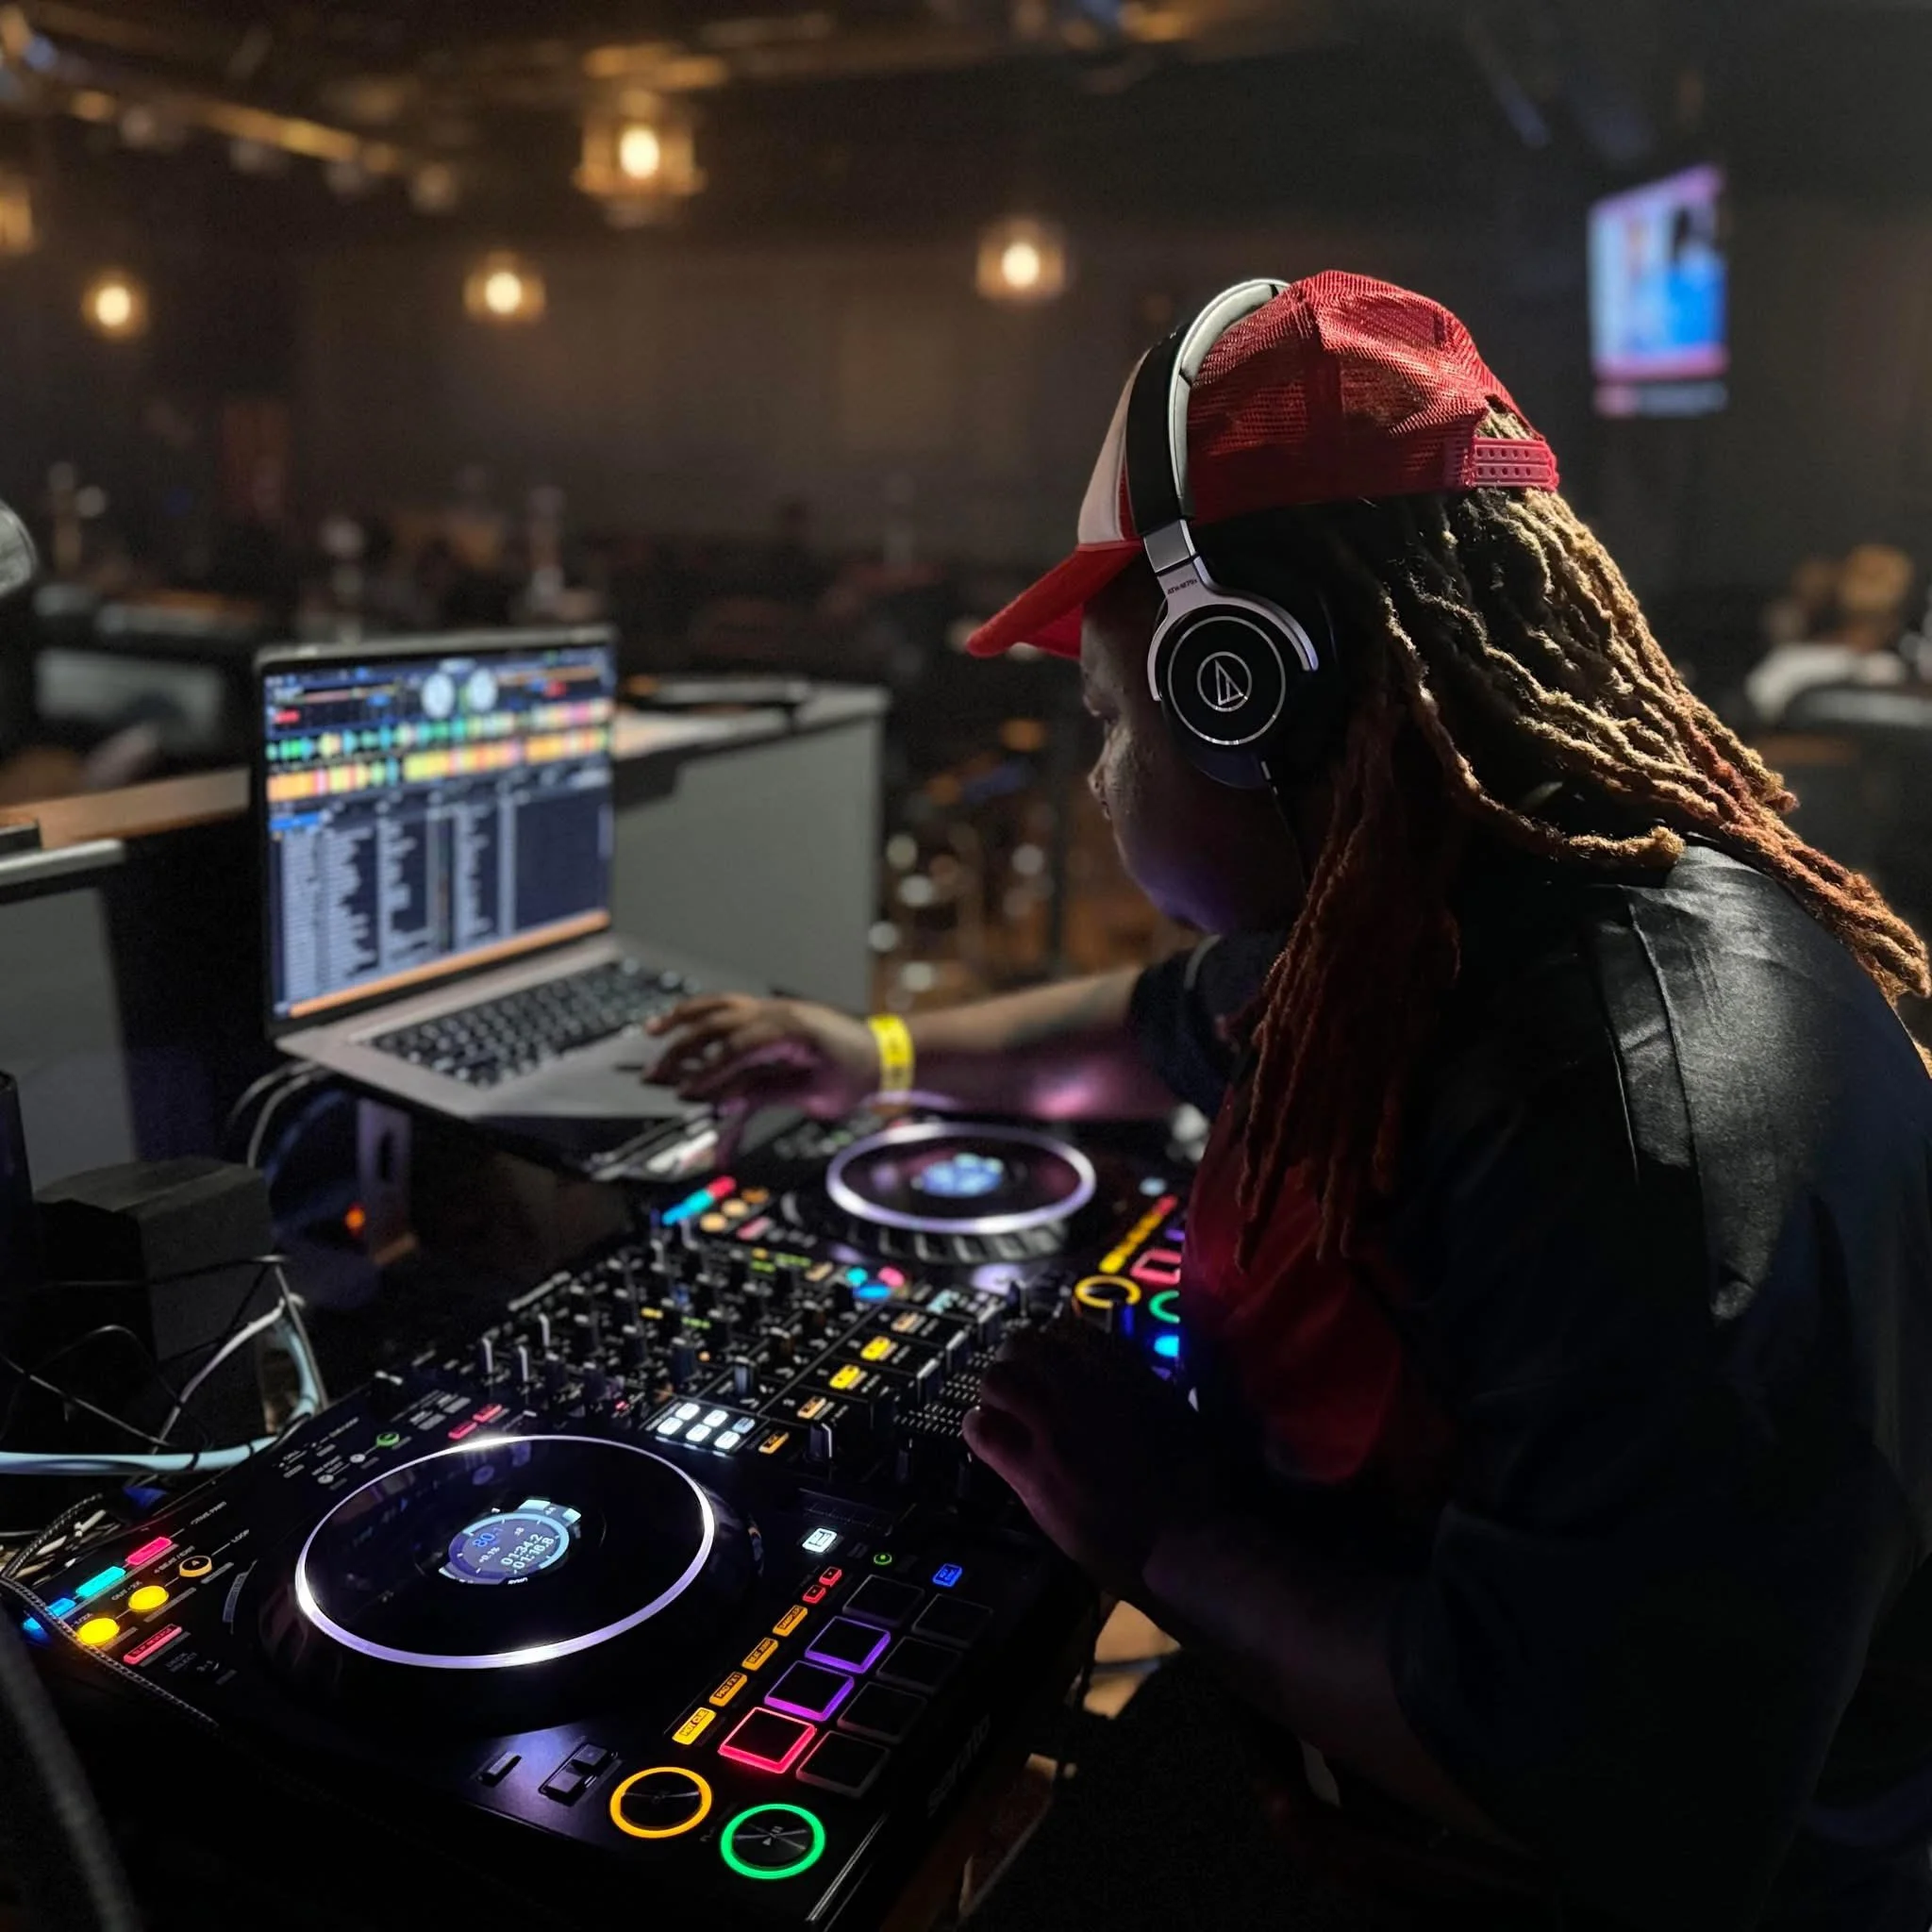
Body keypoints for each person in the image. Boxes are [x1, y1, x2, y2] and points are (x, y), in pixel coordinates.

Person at [647, 273, 1932, 1931]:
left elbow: (1594, 1781)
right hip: (1360, 1706)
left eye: (1112, 720)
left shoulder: (1644, 1137)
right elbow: (1148, 1021)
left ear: (1241, 688)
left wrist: (1162, 1524)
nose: (1102, 775)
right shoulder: (1419, 908)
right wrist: (876, 1055)